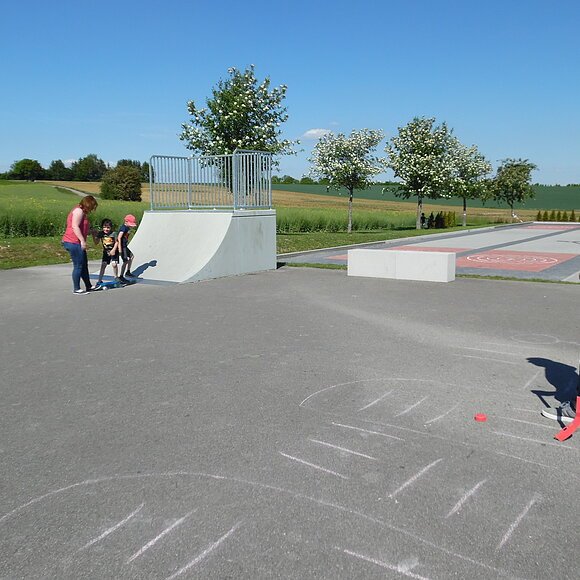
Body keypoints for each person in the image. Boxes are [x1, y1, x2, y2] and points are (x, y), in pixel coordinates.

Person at [61, 195, 98, 294]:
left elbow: (82, 228)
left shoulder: (82, 212)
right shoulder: (78, 211)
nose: (92, 209)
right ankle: (76, 289)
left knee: (84, 265)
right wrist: (82, 241)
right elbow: (75, 226)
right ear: (87, 204)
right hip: (73, 241)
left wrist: (91, 231)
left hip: (76, 241)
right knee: (78, 265)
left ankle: (89, 286)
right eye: (91, 207)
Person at [92, 218, 120, 289]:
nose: (106, 229)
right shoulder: (101, 233)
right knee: (103, 265)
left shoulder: (113, 233)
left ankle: (116, 277)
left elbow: (117, 242)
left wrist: (114, 250)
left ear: (111, 227)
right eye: (104, 227)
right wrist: (94, 235)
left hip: (114, 251)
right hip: (106, 252)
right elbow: (96, 242)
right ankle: (99, 280)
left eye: (108, 227)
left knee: (114, 264)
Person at [118, 214, 138, 283]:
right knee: (125, 261)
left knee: (131, 256)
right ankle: (121, 276)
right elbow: (119, 238)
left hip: (125, 246)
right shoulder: (123, 228)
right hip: (122, 246)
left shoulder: (127, 228)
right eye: (130, 224)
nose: (131, 226)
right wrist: (119, 248)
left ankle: (128, 272)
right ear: (126, 221)